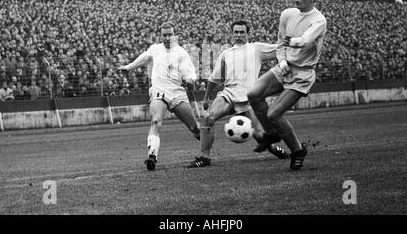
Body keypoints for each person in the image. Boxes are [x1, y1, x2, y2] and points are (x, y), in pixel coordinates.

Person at [247, 0, 327, 170]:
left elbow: (305, 41)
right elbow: (280, 44)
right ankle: (272, 133)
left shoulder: (319, 20)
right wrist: (282, 61)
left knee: (274, 113)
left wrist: (291, 42)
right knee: (253, 94)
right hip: (284, 67)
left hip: (302, 74)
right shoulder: (287, 14)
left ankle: (297, 151)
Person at [188, 19, 289, 168]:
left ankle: (275, 148)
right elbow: (214, 78)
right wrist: (206, 98)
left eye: (242, 32)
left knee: (261, 135)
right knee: (208, 118)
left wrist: (293, 42)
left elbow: (280, 49)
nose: (239, 35)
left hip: (249, 98)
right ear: (232, 34)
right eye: (236, 32)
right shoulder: (226, 54)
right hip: (228, 94)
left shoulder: (257, 49)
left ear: (248, 33)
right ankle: (204, 157)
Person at [117, 21, 201, 171]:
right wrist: (129, 68)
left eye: (170, 35)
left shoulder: (181, 53)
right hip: (159, 90)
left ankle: (205, 152)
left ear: (175, 35)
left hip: (176, 92)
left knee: (195, 128)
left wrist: (191, 78)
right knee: (156, 121)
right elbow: (144, 57)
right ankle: (152, 156)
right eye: (164, 35)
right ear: (160, 35)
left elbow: (191, 72)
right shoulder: (155, 49)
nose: (167, 38)